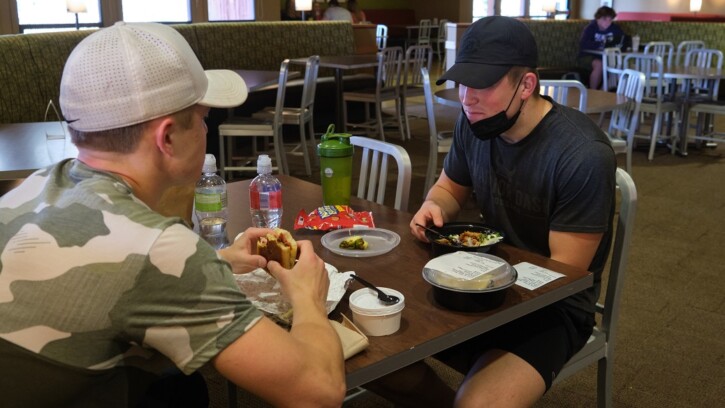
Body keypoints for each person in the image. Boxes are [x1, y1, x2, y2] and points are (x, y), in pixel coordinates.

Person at [0, 22, 345, 407]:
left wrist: (218, 261)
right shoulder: (160, 247)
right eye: (202, 118)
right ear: (167, 137)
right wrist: (308, 297)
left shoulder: (34, 185)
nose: (205, 129)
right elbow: (319, 392)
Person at [369, 16, 616, 407]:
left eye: (483, 85)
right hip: (477, 279)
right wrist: (434, 205)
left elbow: (563, 273)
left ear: (527, 86)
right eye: (464, 83)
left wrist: (476, 283)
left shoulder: (581, 154)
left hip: (552, 308)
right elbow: (449, 188)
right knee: (369, 347)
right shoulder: (477, 124)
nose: (468, 98)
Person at [579, 6, 626, 89]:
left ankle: (612, 91)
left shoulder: (615, 29)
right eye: (604, 19)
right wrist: (601, 44)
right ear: (598, 18)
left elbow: (622, 41)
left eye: (610, 20)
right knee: (599, 64)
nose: (608, 22)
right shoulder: (590, 28)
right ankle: (592, 92)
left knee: (621, 63)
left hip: (609, 56)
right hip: (588, 56)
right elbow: (583, 44)